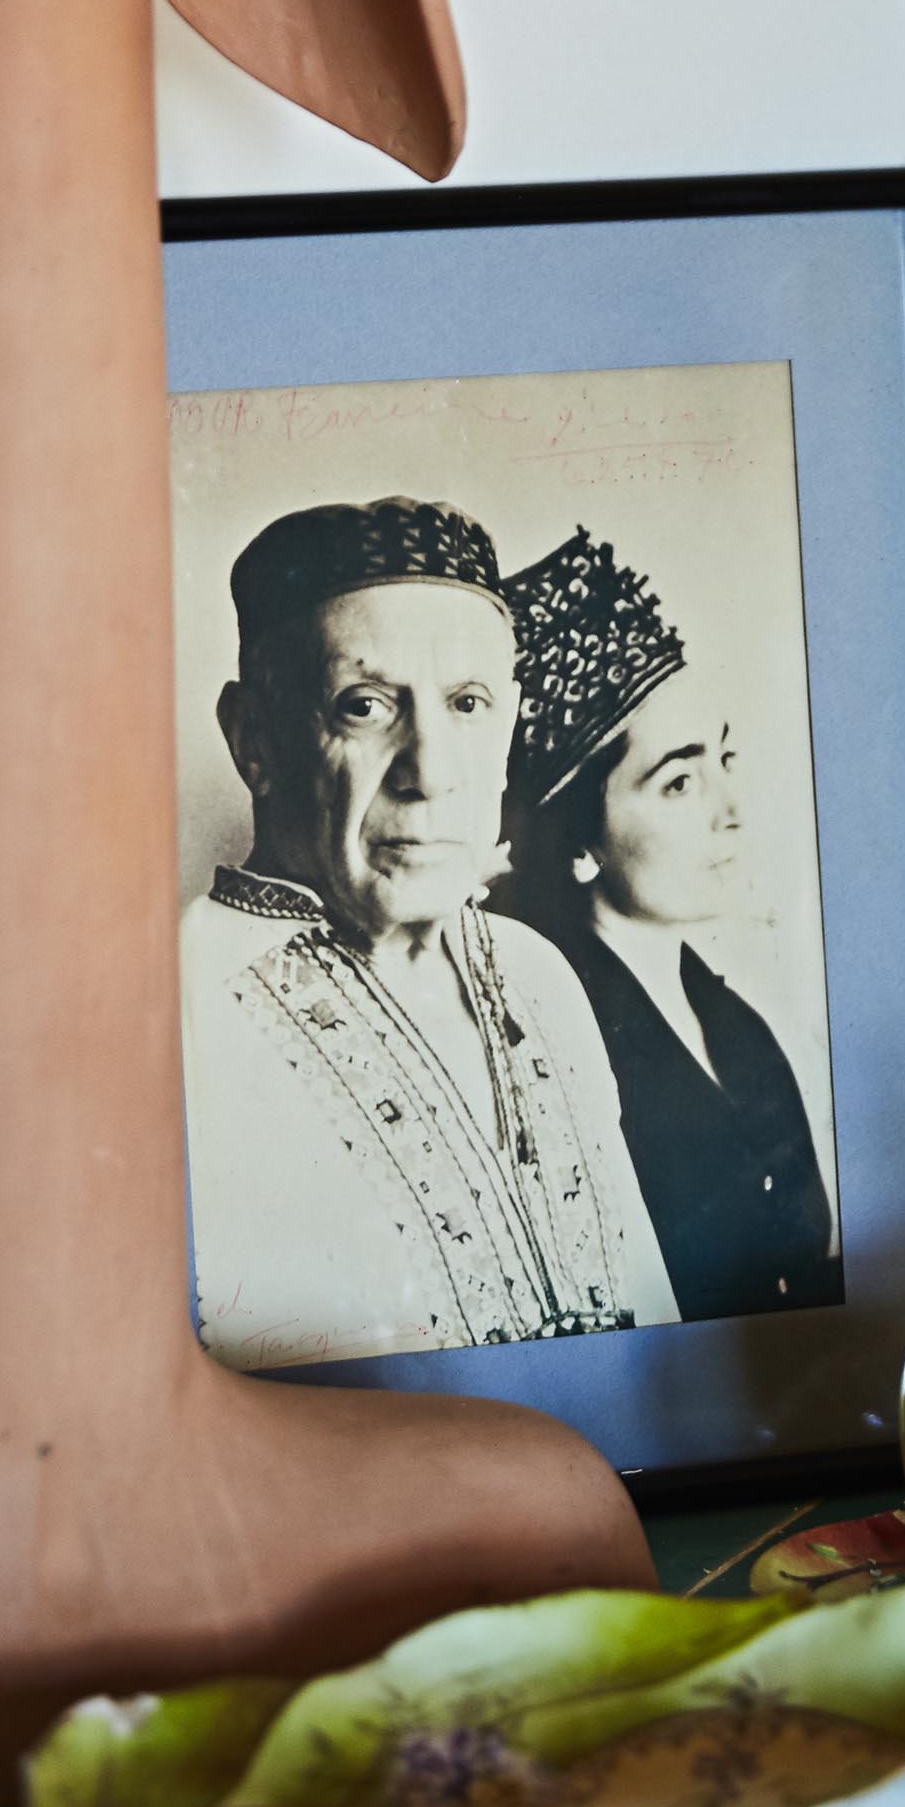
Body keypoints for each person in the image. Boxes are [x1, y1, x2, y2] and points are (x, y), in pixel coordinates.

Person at [182, 499, 678, 1367]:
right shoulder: (165, 1020)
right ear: (253, 739)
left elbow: (659, 1344)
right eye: (365, 705)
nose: (432, 772)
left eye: (468, 703)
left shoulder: (540, 977)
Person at [499, 530, 839, 1323]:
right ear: (579, 843)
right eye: (679, 782)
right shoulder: (554, 1051)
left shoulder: (735, 1021)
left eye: (725, 762)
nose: (731, 813)